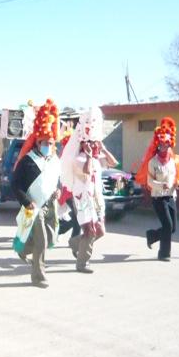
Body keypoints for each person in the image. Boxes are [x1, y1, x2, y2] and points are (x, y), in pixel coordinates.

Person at [60, 108, 118, 273]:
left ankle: (75, 243)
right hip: (83, 198)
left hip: (96, 198)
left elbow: (114, 163)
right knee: (90, 230)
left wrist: (103, 149)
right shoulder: (77, 159)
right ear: (82, 143)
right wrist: (90, 155)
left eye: (94, 143)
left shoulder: (97, 157)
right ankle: (82, 263)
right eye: (89, 143)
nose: (92, 145)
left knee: (100, 231)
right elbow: (86, 171)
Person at [11, 99, 61, 288]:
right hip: (34, 206)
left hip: (50, 205)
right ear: (37, 142)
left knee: (49, 239)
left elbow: (58, 181)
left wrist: (58, 190)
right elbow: (16, 184)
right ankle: (38, 276)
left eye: (50, 142)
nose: (47, 145)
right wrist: (26, 202)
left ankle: (22, 249)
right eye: (44, 142)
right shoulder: (27, 161)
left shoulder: (55, 160)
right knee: (41, 241)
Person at [135, 117, 179, 262]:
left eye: (166, 145)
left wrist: (178, 184)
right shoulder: (152, 162)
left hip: (170, 197)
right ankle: (164, 254)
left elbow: (176, 178)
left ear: (170, 145)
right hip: (158, 197)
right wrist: (162, 185)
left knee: (172, 228)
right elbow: (150, 182)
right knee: (167, 225)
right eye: (160, 145)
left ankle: (152, 235)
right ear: (157, 145)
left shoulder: (174, 161)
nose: (163, 148)